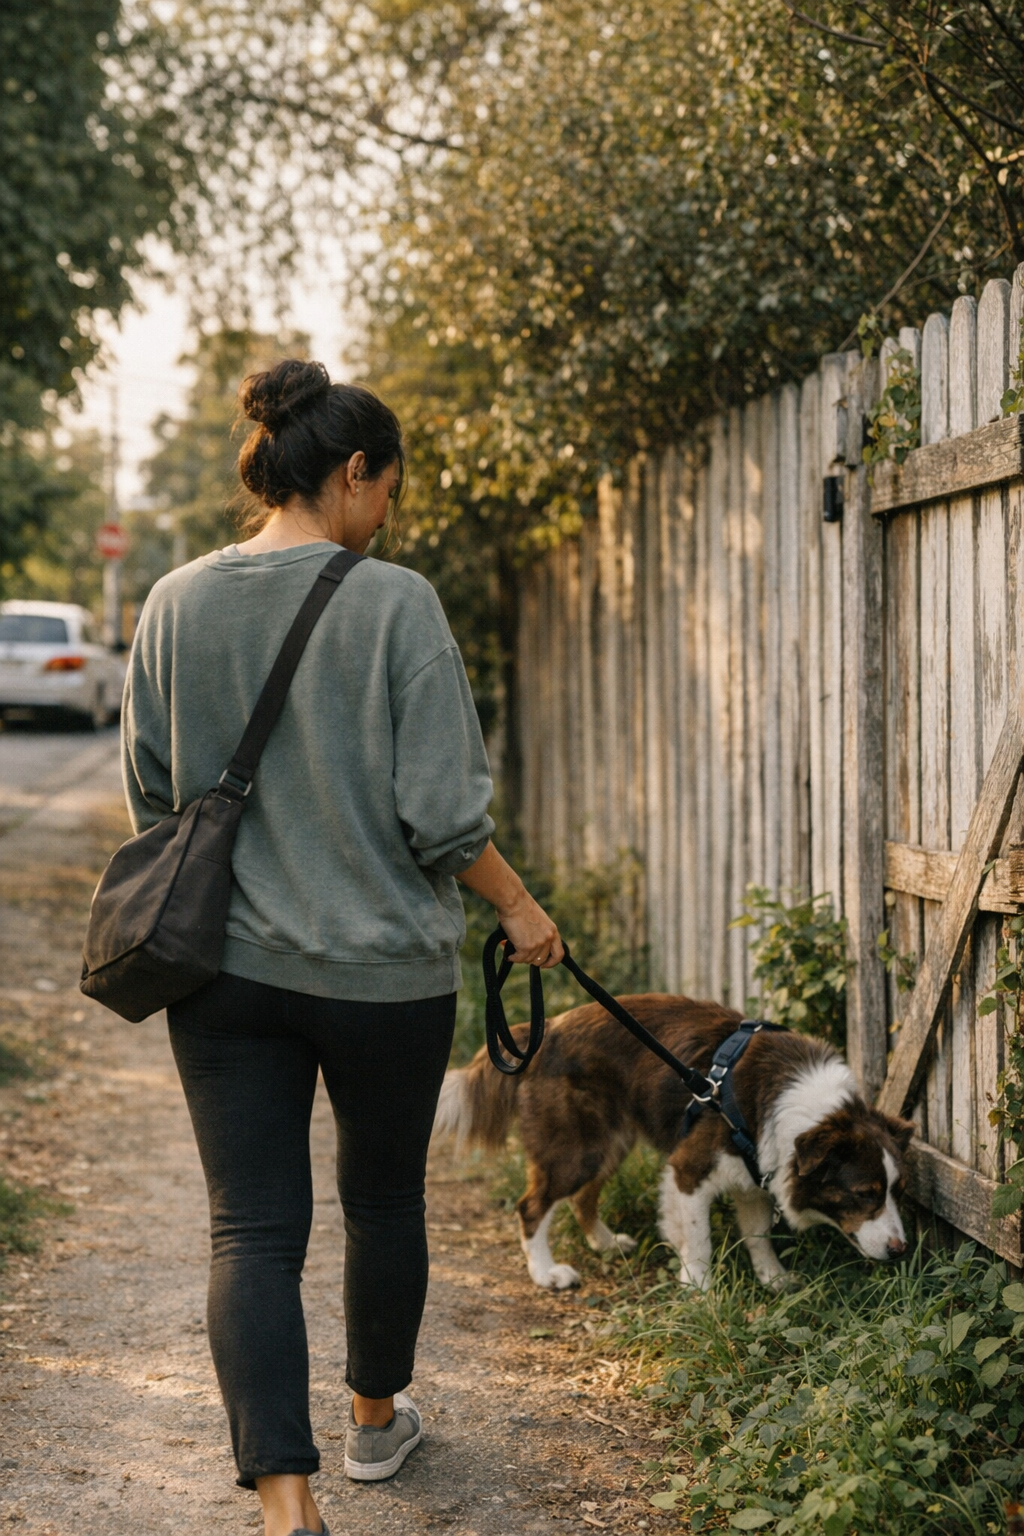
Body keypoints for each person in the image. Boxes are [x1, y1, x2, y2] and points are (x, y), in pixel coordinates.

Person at [121, 359, 563, 1536]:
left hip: (222, 973)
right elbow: (443, 819)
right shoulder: (395, 603)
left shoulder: (171, 603)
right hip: (383, 977)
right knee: (382, 1201)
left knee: (251, 1229)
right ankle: (375, 1425)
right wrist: (519, 909)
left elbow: (155, 795)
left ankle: (285, 1505)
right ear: (352, 472)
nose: (390, 517)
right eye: (389, 490)